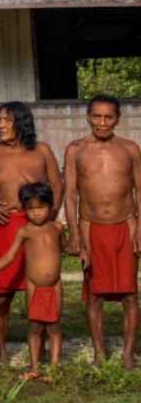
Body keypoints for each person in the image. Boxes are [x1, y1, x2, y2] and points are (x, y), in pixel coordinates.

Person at [0, 102, 63, 368]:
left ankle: (42, 351)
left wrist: (49, 220)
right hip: (4, 226)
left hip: (37, 225)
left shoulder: (41, 150)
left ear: (21, 122)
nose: (0, 126)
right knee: (3, 294)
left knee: (41, 287)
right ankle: (1, 350)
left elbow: (57, 185)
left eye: (6, 120)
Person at [64, 96, 141, 368]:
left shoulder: (130, 149)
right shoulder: (75, 150)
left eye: (108, 117)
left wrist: (140, 228)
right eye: (97, 116)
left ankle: (129, 354)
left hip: (126, 225)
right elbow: (70, 195)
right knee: (95, 294)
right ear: (88, 117)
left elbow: (140, 191)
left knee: (130, 294)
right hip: (90, 227)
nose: (102, 122)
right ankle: (99, 353)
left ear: (118, 119)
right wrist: (74, 235)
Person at [0, 182, 65, 380]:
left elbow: (64, 248)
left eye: (41, 208)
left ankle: (54, 367)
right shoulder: (24, 231)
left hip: (55, 285)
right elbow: (10, 256)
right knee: (35, 326)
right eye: (31, 209)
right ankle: (34, 367)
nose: (36, 213)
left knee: (54, 327)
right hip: (34, 286)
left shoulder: (57, 228)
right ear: (24, 209)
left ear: (50, 206)